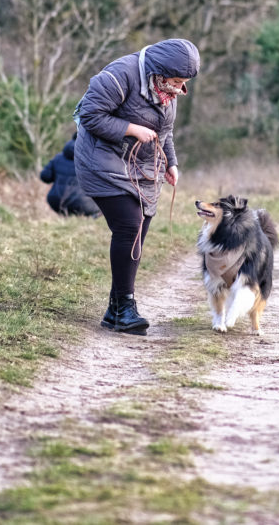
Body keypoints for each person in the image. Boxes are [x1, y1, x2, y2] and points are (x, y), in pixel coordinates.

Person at [74, 39, 199, 335]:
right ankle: (125, 308)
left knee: (140, 228)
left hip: (141, 166)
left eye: (184, 82)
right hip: (100, 159)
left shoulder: (166, 86)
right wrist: (131, 129)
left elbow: (164, 129)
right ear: (160, 70)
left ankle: (116, 309)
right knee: (130, 225)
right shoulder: (119, 75)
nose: (179, 88)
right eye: (177, 81)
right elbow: (89, 115)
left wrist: (171, 162)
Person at [39, 133, 100, 217]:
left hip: (56, 200)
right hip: (83, 203)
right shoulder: (93, 159)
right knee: (107, 205)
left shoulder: (58, 158)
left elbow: (45, 177)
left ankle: (68, 220)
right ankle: (88, 222)